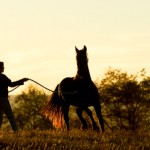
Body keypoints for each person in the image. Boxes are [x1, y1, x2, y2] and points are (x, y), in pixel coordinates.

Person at [0, 61, 28, 132]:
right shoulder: (3, 77)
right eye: (2, 67)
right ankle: (15, 131)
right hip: (3, 99)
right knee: (10, 116)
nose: (3, 68)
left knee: (0, 117)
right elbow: (11, 84)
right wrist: (22, 80)